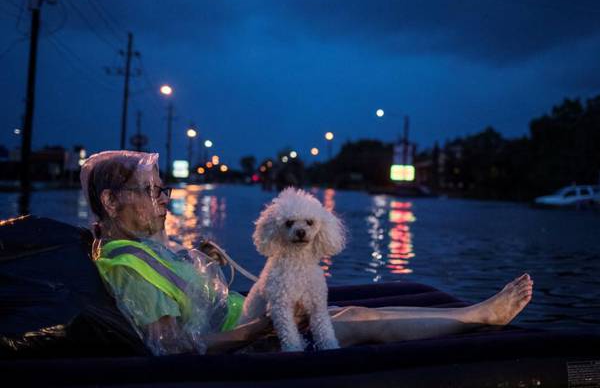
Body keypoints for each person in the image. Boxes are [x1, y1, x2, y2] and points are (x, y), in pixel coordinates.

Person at [81, 151, 534, 355]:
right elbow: (175, 349)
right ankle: (480, 317)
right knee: (352, 320)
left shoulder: (139, 248)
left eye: (163, 189)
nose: (164, 199)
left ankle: (474, 315)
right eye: (152, 190)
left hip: (243, 319)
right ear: (111, 202)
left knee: (351, 307)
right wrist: (257, 330)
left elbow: (188, 301)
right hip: (246, 342)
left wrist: (205, 260)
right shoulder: (126, 265)